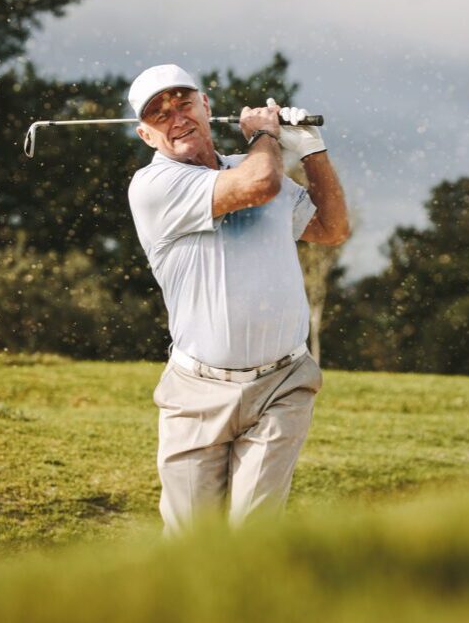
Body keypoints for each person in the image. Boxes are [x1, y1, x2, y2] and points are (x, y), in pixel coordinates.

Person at [125, 64, 349, 533]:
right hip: (196, 392)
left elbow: (332, 229)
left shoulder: (251, 163)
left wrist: (313, 153)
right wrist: (265, 134)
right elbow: (259, 184)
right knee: (191, 541)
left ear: (206, 107)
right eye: (158, 114)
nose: (176, 117)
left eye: (183, 102)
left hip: (282, 384)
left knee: (254, 537)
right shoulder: (153, 187)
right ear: (146, 136)